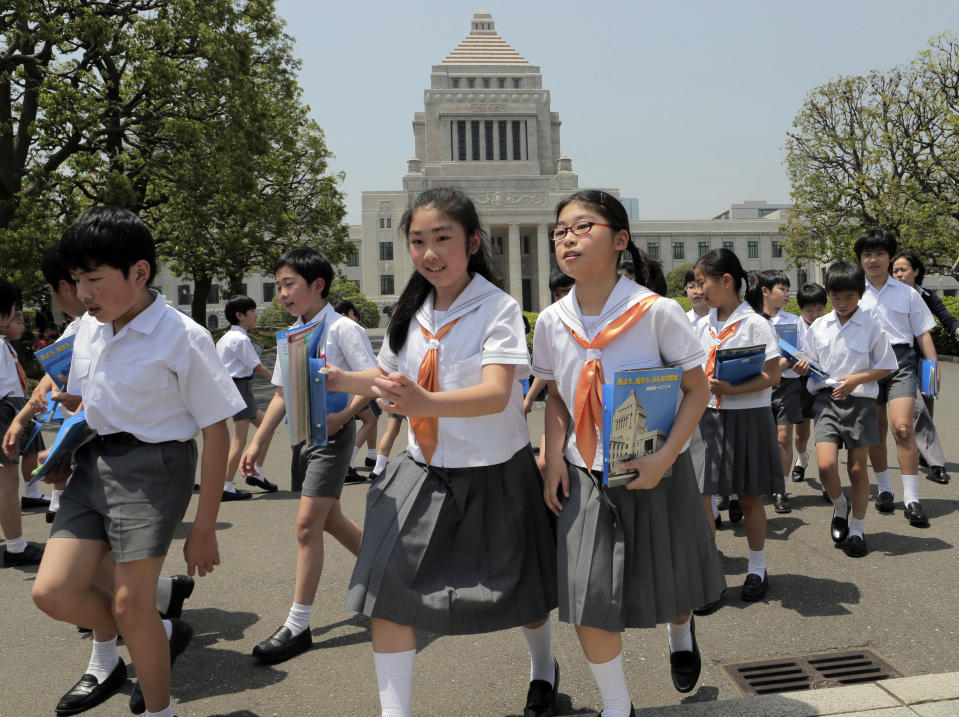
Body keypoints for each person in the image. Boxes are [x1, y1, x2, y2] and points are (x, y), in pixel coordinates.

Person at [329, 187, 559, 717]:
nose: (429, 253)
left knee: (524, 591)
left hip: (497, 472)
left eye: (442, 239)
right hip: (425, 471)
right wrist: (342, 378)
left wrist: (425, 400)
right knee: (387, 588)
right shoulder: (409, 310)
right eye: (417, 241)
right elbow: (389, 377)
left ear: (472, 242)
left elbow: (497, 393)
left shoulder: (498, 308)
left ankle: (543, 671)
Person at [31, 206, 245, 717]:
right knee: (52, 592)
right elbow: (88, 405)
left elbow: (217, 431)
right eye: (78, 279)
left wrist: (205, 526)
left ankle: (159, 709)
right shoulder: (87, 328)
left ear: (140, 273)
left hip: (155, 469)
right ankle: (159, 630)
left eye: (95, 280)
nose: (83, 294)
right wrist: (61, 445)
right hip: (93, 463)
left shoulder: (183, 336)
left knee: (130, 605)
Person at [532, 190, 723, 716]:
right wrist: (552, 460)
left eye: (581, 226)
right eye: (559, 230)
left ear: (620, 240)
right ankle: (619, 706)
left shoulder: (655, 312)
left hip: (653, 468)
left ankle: (680, 634)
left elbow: (697, 389)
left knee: (672, 579)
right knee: (587, 600)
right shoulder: (552, 321)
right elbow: (556, 397)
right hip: (584, 474)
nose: (566, 238)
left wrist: (664, 460)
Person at [241, 248, 375, 665]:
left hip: (333, 437)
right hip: (305, 438)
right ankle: (388, 573)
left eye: (288, 284)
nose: (281, 294)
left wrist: (343, 416)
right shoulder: (293, 334)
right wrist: (258, 443)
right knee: (329, 519)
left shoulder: (342, 330)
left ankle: (298, 624)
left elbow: (374, 380)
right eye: (278, 285)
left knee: (306, 526)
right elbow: (282, 395)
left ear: (317, 285)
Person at [694, 248, 782, 604]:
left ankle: (757, 567)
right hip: (706, 416)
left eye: (703, 282)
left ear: (726, 281)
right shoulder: (701, 324)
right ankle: (708, 573)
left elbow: (772, 375)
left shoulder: (757, 324)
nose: (698, 290)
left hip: (747, 416)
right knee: (702, 494)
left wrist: (732, 389)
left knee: (748, 497)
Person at [796, 262, 896, 558]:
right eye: (836, 298)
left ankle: (857, 530)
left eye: (849, 298)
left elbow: (887, 365)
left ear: (861, 294)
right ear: (828, 294)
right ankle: (841, 505)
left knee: (856, 469)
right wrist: (803, 367)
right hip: (826, 400)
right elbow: (811, 364)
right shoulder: (820, 327)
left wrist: (856, 380)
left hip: (861, 402)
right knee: (826, 466)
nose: (842, 304)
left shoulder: (872, 325)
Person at [856, 230, 937, 526]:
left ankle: (913, 498)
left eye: (879, 254)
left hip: (902, 361)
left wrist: (932, 368)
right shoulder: (855, 292)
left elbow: (922, 333)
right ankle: (885, 488)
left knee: (902, 427)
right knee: (876, 431)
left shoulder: (908, 293)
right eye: (867, 254)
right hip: (867, 364)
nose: (873, 259)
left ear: (890, 257)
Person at [891, 252, 953, 484]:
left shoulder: (925, 295)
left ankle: (924, 453)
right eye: (895, 270)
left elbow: (946, 318)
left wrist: (956, 329)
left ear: (916, 271)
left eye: (903, 269)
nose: (898, 274)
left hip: (925, 360)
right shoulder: (888, 295)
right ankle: (936, 463)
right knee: (918, 410)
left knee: (926, 405)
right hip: (900, 362)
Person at [0, 280, 45, 567]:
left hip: (10, 408)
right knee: (7, 482)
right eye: (13, 310)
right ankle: (15, 547)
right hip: (4, 410)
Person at [215, 295, 277, 500]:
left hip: (235, 388)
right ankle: (225, 486)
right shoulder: (240, 339)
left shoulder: (226, 337)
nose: (256, 315)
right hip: (238, 388)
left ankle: (256, 471)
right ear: (240, 315)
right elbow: (257, 367)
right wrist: (278, 381)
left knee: (266, 428)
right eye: (252, 312)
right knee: (239, 440)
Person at [755, 269, 804, 515]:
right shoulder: (751, 320)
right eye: (782, 289)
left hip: (787, 386)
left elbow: (804, 352)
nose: (787, 294)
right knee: (761, 440)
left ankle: (781, 490)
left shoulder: (794, 322)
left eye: (788, 289)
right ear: (765, 291)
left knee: (784, 437)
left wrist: (787, 364)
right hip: (758, 387)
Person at [524, 266, 575, 472]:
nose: (561, 299)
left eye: (567, 291)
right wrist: (529, 398)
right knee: (545, 463)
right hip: (560, 402)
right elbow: (547, 372)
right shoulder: (551, 321)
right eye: (557, 294)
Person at [1, 309, 49, 508]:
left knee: (31, 448)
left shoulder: (7, 345)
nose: (22, 327)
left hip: (19, 402)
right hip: (7, 404)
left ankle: (32, 492)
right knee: (8, 460)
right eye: (18, 322)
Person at [334, 299, 381, 483]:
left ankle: (370, 455)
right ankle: (348, 462)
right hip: (355, 385)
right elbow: (364, 362)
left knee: (371, 418)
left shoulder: (328, 326)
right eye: (354, 314)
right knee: (370, 419)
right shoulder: (349, 329)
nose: (356, 318)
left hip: (344, 385)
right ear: (345, 314)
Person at [792, 283, 827, 485]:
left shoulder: (831, 325)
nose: (815, 314)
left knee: (824, 435)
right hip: (802, 383)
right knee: (801, 436)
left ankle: (826, 480)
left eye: (819, 308)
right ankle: (802, 458)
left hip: (824, 384)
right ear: (800, 309)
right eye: (809, 309)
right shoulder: (794, 327)